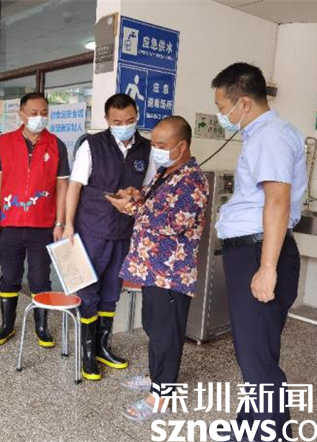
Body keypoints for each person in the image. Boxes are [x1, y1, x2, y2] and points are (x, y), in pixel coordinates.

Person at [211, 62, 307, 442]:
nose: (222, 115)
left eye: (222, 107)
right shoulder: (263, 135)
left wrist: (267, 268)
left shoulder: (270, 136)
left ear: (244, 103)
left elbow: (278, 201)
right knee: (256, 351)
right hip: (254, 250)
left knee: (257, 358)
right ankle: (250, 426)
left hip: (259, 252)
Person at [106, 116, 209, 421]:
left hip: (171, 274)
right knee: (153, 326)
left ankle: (161, 397)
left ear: (182, 146)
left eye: (162, 145)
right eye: (154, 144)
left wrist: (130, 207)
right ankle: (156, 377)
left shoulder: (192, 180)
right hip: (152, 270)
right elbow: (155, 207)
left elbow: (173, 224)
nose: (156, 150)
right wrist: (137, 195)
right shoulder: (167, 172)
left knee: (166, 335)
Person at [63, 93, 155, 381]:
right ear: (106, 120)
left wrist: (134, 195)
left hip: (123, 234)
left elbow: (148, 188)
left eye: (130, 120)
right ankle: (87, 353)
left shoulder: (146, 149)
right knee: (87, 291)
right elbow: (75, 187)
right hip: (91, 231)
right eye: (117, 121)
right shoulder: (91, 146)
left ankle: (103, 347)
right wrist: (67, 225)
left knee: (111, 292)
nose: (124, 126)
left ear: (136, 116)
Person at [0, 92, 70, 347]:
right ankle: (7, 325)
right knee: (9, 276)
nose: (39, 117)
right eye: (34, 113)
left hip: (42, 226)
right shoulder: (4, 142)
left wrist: (60, 223)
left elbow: (63, 186)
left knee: (40, 278)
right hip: (9, 223)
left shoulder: (56, 145)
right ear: (21, 114)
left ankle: (41, 327)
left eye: (44, 112)